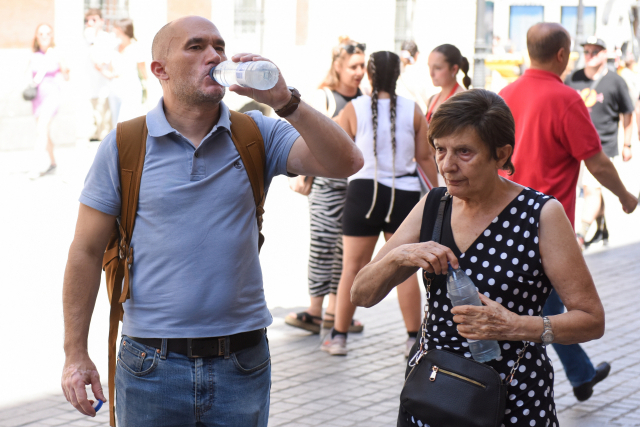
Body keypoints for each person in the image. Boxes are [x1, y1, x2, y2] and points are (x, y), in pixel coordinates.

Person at [60, 16, 363, 425]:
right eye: (196, 46)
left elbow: (347, 162)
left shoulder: (256, 133)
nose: (215, 55)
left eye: (219, 46)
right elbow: (85, 250)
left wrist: (286, 101)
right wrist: (75, 353)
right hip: (150, 364)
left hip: (242, 363)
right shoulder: (123, 145)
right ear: (160, 70)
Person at [351, 89, 606, 427]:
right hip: (434, 394)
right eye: (440, 149)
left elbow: (591, 320)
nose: (447, 165)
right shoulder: (434, 206)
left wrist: (517, 326)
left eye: (464, 152)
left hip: (513, 400)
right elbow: (361, 294)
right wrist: (399, 256)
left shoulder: (541, 214)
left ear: (501, 154)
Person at [499, 22, 637, 402]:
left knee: (543, 302)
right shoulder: (566, 99)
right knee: (554, 306)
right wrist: (625, 196)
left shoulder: (504, 94)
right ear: (562, 55)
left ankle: (581, 375)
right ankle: (574, 376)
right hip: (547, 224)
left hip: (503, 217)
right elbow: (597, 161)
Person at [320, 51, 439, 357]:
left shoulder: (353, 108)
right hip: (404, 196)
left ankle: (339, 337)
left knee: (352, 267)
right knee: (404, 268)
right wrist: (439, 196)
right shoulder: (413, 109)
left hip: (363, 193)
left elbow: (337, 150)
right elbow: (425, 158)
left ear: (370, 76)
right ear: (397, 76)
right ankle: (413, 339)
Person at [285, 38, 366, 334]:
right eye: (353, 66)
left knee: (346, 251)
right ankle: (315, 310)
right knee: (322, 245)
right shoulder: (325, 97)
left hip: (356, 186)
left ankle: (336, 310)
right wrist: (300, 174)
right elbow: (306, 137)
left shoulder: (365, 98)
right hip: (326, 186)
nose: (359, 72)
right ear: (338, 66)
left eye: (363, 66)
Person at [565, 36, 635, 247]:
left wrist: (627, 144)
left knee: (591, 189)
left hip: (602, 145)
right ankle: (602, 228)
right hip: (573, 145)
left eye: (594, 52)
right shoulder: (573, 79)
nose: (589, 56)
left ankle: (580, 236)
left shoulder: (616, 81)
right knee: (592, 188)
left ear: (605, 54)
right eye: (586, 51)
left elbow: (627, 112)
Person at [27, 23, 69, 178]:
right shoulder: (33, 55)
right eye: (41, 34)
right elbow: (26, 75)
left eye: (47, 33)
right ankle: (53, 163)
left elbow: (66, 76)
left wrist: (64, 67)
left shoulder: (56, 53)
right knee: (43, 131)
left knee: (42, 128)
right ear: (36, 37)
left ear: (52, 36)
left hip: (52, 96)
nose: (44, 37)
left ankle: (35, 167)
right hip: (37, 98)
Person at [98, 18, 147, 125]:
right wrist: (109, 74)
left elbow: (144, 73)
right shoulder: (114, 47)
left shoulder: (136, 48)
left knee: (127, 123)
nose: (113, 30)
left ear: (122, 29)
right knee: (116, 124)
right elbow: (107, 68)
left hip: (131, 90)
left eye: (116, 27)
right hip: (115, 90)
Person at [83, 8, 116, 141]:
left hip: (103, 86)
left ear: (101, 21)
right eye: (87, 20)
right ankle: (96, 135)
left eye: (94, 20)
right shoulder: (86, 38)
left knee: (104, 118)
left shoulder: (106, 38)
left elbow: (102, 62)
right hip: (89, 85)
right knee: (94, 115)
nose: (90, 23)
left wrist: (92, 43)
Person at [425, 44, 470, 124]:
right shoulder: (433, 98)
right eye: (429, 67)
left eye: (437, 68)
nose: (431, 73)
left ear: (454, 69)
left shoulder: (463, 101)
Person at [396, 40, 431, 114]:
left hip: (399, 112)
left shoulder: (396, 69)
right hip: (418, 113)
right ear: (417, 54)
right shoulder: (419, 71)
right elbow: (427, 97)